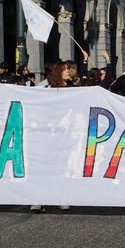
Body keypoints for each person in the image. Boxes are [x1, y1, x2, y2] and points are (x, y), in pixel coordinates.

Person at [32, 61, 72, 213]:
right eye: (65, 69)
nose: (68, 72)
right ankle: (37, 200)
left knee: (61, 166)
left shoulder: (71, 89)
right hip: (46, 134)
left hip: (64, 135)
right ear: (58, 72)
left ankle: (60, 198)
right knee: (42, 167)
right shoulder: (43, 88)